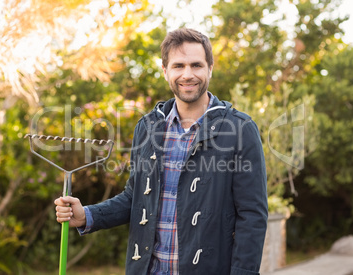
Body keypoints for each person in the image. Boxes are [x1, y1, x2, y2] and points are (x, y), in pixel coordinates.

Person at [55, 28, 268, 275]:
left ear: (210, 68)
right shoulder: (147, 127)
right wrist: (86, 216)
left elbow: (252, 216)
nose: (188, 75)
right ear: (165, 70)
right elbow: (135, 198)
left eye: (196, 65)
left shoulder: (240, 129)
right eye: (179, 66)